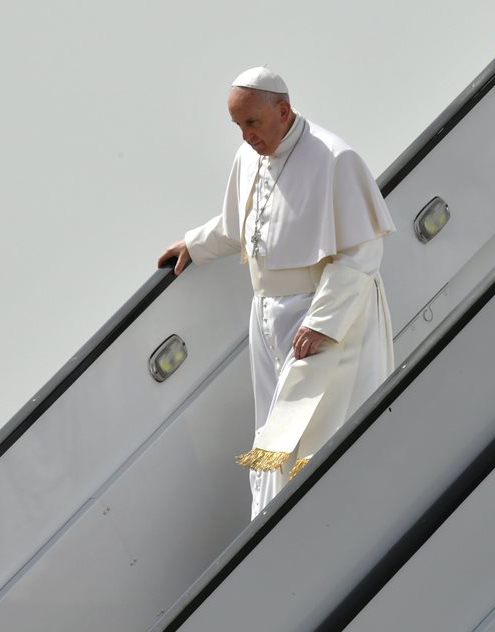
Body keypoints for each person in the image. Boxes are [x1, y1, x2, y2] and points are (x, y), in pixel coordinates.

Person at [157, 66, 395, 520]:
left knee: (310, 428)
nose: (246, 136)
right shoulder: (248, 157)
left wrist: (323, 322)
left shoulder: (334, 157)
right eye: (238, 126)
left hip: (320, 318)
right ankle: (268, 520)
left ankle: (316, 521)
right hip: (266, 316)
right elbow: (237, 225)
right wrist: (194, 244)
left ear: (282, 111)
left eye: (252, 123)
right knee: (270, 429)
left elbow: (363, 251)